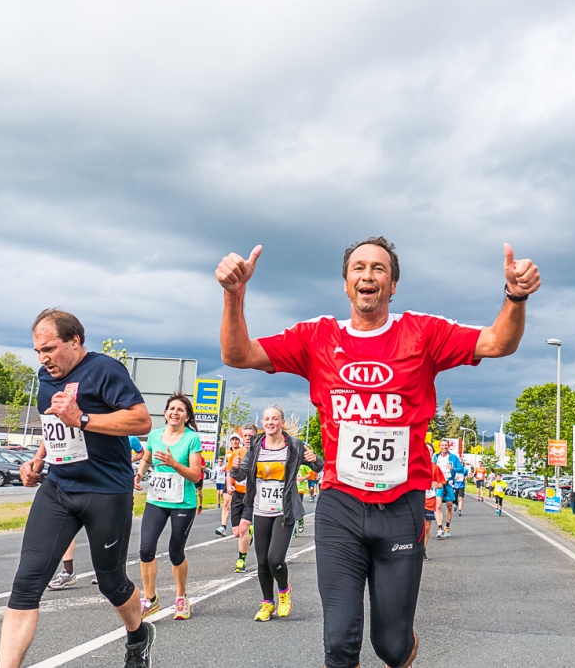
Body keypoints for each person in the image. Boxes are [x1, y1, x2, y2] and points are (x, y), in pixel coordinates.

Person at [215, 236, 540, 668]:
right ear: (346, 284)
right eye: (359, 268)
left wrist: (515, 296)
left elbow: (498, 342)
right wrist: (234, 296)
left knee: (391, 645)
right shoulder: (316, 337)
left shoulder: (423, 333)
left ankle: (401, 647)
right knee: (339, 642)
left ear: (392, 285)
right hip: (340, 503)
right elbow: (237, 355)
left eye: (379, 269)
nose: (368, 275)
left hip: (401, 505)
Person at [0, 309, 154, 668]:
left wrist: (82, 418)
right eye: (37, 351)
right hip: (59, 488)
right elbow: (53, 424)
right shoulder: (45, 376)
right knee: (26, 584)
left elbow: (141, 420)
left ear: (75, 341)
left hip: (106, 491)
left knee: (111, 583)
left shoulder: (106, 370)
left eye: (50, 348)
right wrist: (38, 459)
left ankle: (137, 635)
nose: (43, 358)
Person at [232, 405, 322, 621]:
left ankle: (283, 591)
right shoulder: (255, 446)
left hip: (285, 510)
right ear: (262, 423)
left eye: (274, 419)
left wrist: (313, 459)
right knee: (262, 561)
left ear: (281, 422)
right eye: (266, 419)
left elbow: (318, 466)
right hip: (261, 509)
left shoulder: (294, 445)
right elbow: (241, 474)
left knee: (275, 559)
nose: (270, 422)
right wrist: (234, 468)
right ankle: (267, 603)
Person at [135, 394, 203, 621]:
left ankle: (181, 596)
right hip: (157, 500)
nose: (175, 412)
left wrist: (174, 463)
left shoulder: (192, 439)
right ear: (165, 413)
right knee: (145, 549)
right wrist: (139, 474)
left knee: (176, 551)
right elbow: (146, 458)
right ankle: (150, 599)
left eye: (180, 410)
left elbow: (196, 475)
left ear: (187, 416)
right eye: (171, 408)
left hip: (183, 502)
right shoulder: (155, 436)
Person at [227, 425, 258, 572]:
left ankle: (241, 560)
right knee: (236, 532)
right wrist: (229, 486)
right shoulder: (236, 453)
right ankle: (249, 532)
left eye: (250, 436)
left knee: (244, 526)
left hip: (252, 495)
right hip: (238, 495)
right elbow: (229, 472)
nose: (247, 439)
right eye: (245, 436)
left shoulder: (259, 453)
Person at [433, 441, 465, 538]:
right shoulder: (435, 457)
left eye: (446, 445)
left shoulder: (453, 457)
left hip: (449, 484)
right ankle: (439, 529)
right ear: (439, 446)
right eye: (442, 445)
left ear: (449, 446)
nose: (444, 447)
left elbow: (461, 469)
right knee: (438, 506)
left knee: (449, 506)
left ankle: (447, 526)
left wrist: (453, 469)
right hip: (439, 484)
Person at [422, 444, 447, 556]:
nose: (428, 451)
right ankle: (415, 550)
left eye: (430, 450)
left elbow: (442, 484)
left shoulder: (435, 468)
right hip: (417, 501)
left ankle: (423, 549)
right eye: (426, 450)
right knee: (416, 527)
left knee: (427, 528)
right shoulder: (416, 466)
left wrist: (437, 484)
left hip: (429, 501)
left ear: (433, 453)